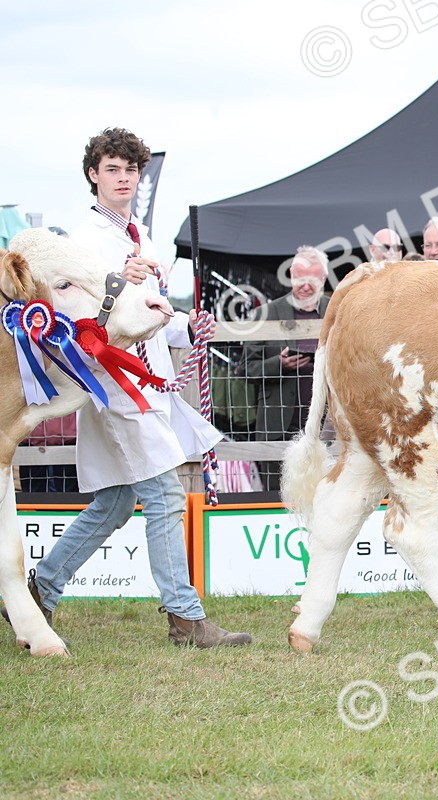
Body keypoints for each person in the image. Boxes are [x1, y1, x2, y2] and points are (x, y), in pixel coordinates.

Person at [19, 127, 250, 649]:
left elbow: (147, 315)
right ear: (93, 176)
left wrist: (184, 325)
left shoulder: (138, 236)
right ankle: (185, 618)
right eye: (113, 170)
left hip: (145, 382)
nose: (123, 179)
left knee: (117, 503)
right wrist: (120, 282)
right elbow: (77, 321)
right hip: (111, 384)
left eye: (130, 171)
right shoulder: (83, 242)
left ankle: (41, 591)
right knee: (166, 494)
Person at [241, 246, 331, 492]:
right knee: (275, 492)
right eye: (300, 278)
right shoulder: (265, 314)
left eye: (312, 279)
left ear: (323, 279)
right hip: (277, 424)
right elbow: (245, 369)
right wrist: (278, 364)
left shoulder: (337, 312)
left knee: (325, 492)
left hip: (327, 423)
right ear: (291, 276)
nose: (305, 285)